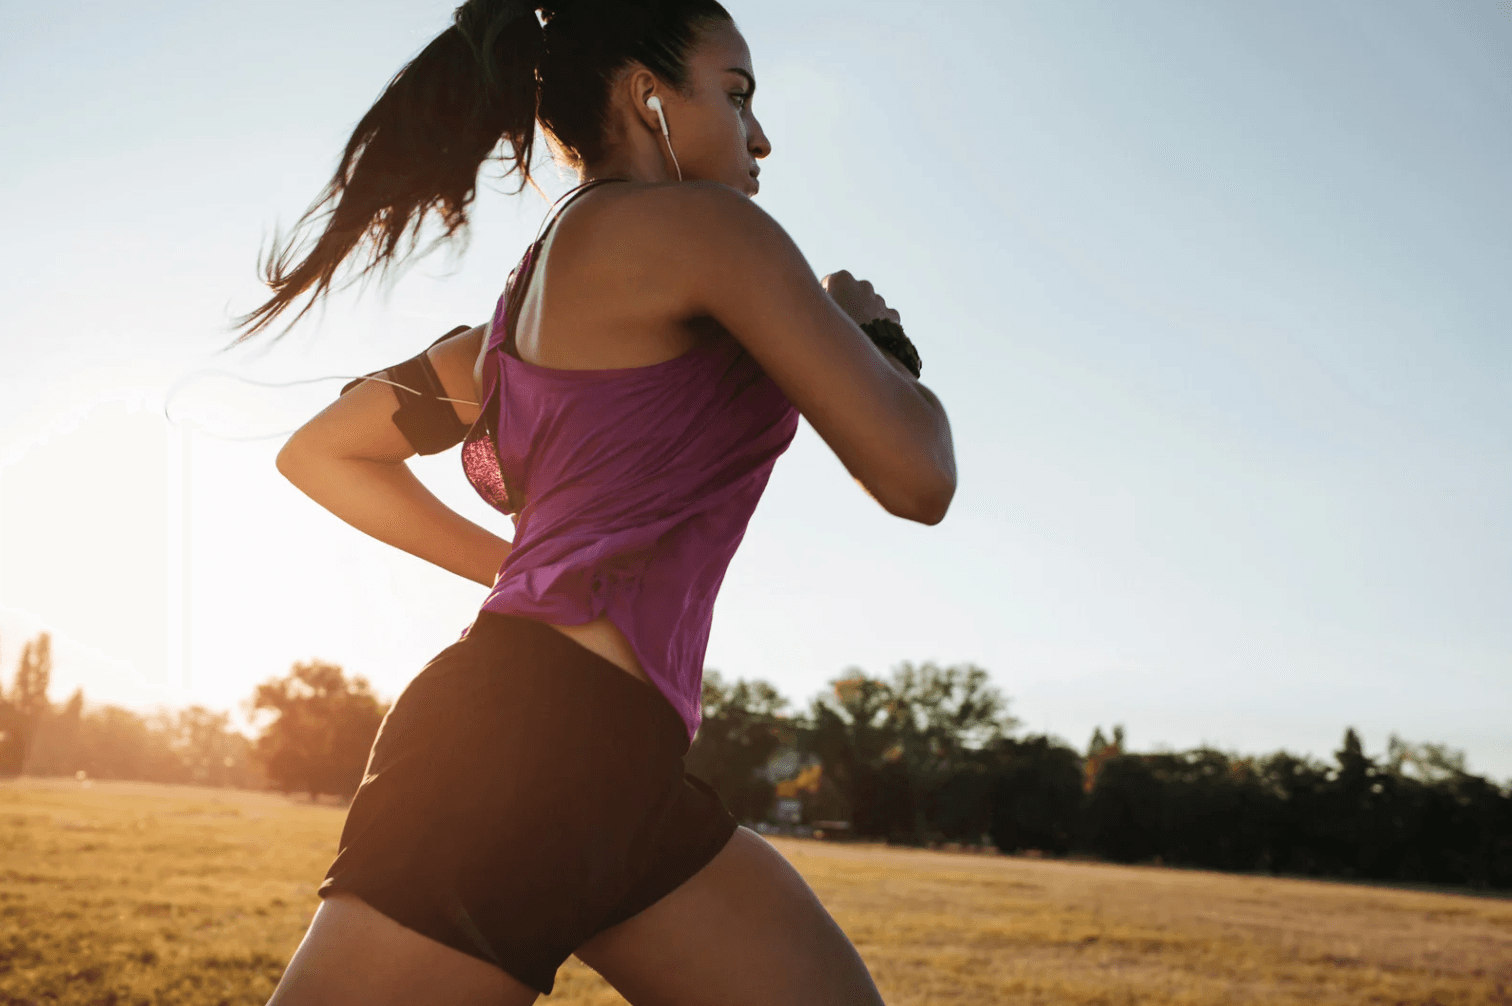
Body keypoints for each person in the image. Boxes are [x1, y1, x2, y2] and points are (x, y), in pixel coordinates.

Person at [243, 1, 955, 1002]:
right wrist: (875, 335)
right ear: (646, 98)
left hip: (619, 767)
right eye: (736, 93)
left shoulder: (501, 333)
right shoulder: (712, 229)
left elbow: (323, 453)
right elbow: (918, 474)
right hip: (524, 749)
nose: (761, 137)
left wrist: (523, 575)